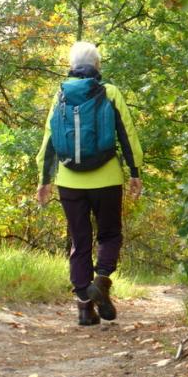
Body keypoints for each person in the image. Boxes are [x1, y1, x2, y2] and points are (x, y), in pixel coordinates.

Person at [35, 41, 143, 326]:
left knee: (79, 240)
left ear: (71, 66)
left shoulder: (59, 96)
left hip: (70, 181)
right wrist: (135, 171)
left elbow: (49, 141)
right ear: (97, 66)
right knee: (109, 234)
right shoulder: (110, 93)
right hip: (106, 178)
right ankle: (102, 279)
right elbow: (127, 134)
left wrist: (44, 180)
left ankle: (84, 309)